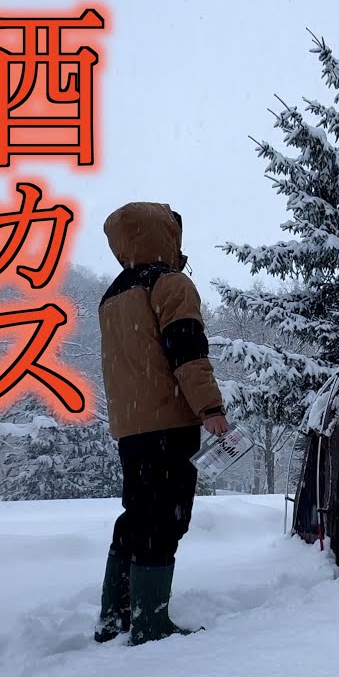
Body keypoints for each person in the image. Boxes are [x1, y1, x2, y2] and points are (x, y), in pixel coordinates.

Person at [94, 201, 228, 645]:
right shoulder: (170, 284)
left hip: (130, 427)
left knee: (137, 514)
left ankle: (115, 614)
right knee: (165, 520)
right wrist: (209, 408)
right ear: (166, 236)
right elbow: (186, 348)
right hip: (170, 421)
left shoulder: (112, 295)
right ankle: (150, 624)